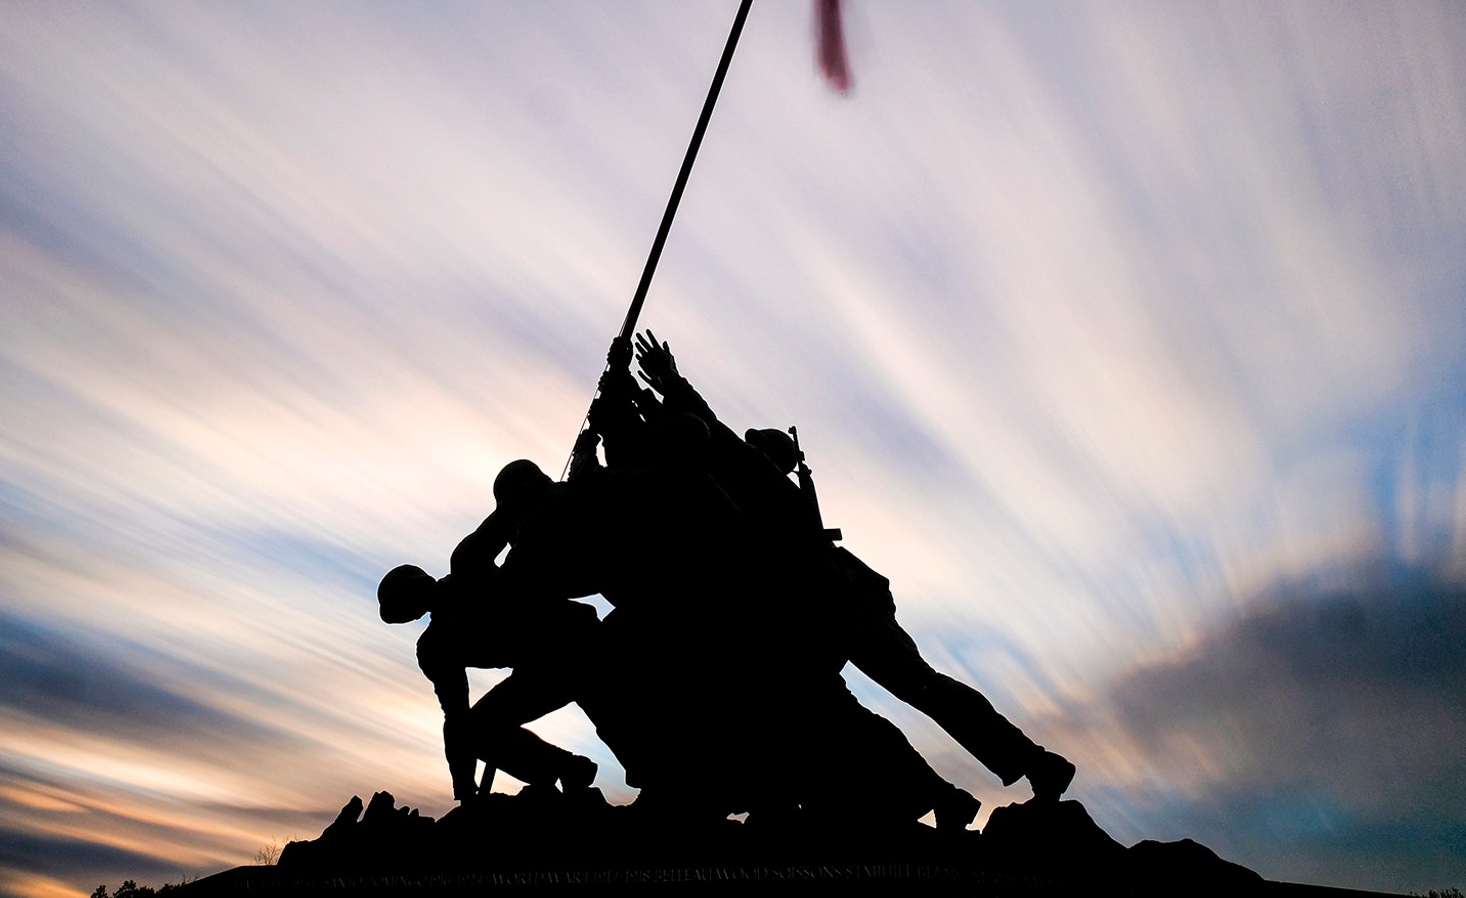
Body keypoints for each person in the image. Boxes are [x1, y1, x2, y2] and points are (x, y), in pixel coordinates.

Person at [631, 331, 1076, 803]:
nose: (750, 451)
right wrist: (645, 401)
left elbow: (712, 437)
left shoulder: (767, 486)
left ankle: (1009, 770)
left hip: (841, 605)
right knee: (850, 697)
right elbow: (698, 447)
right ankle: (949, 788)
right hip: (823, 610)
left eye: (758, 448)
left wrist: (672, 385)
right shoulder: (752, 487)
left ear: (770, 458)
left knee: (906, 688)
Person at [377, 561, 599, 802]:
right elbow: (457, 718)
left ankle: (576, 770)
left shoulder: (471, 574)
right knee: (477, 730)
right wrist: (463, 784)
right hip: (541, 671)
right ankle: (567, 769)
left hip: (581, 640)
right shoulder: (435, 647)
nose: (407, 610)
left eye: (404, 602)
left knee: (623, 727)